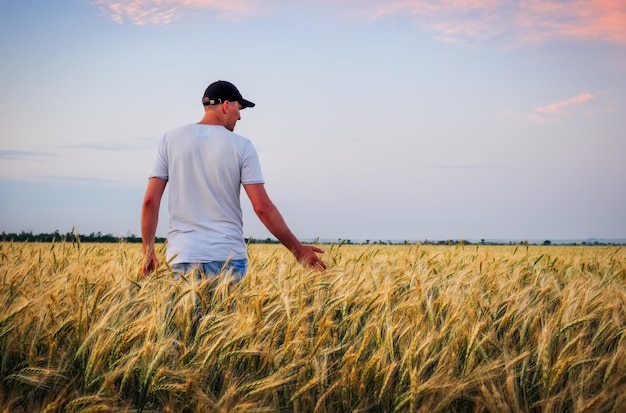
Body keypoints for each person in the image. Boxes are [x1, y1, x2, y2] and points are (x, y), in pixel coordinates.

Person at [141, 80, 326, 279]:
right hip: (227, 258)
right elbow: (262, 206)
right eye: (239, 108)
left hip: (181, 256)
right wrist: (297, 249)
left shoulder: (170, 140)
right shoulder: (242, 146)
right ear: (226, 105)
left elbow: (150, 201)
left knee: (184, 311)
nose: (240, 116)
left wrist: (148, 252)